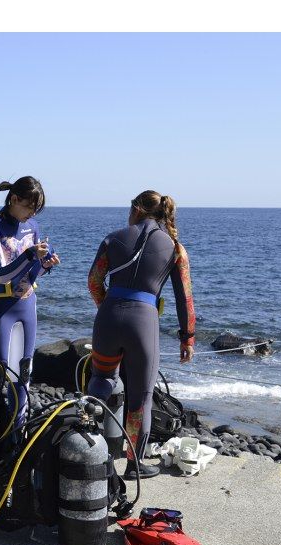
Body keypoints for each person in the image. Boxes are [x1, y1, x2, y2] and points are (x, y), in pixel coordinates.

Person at [86, 190, 195, 480]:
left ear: (136, 209)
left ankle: (85, 448)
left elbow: (94, 282)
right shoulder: (175, 248)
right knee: (140, 398)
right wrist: (188, 338)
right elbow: (185, 298)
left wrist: (109, 307)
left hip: (108, 318)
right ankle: (134, 465)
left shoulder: (112, 238)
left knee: (101, 381)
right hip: (143, 323)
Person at [0, 177, 60, 440]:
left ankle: (18, 435)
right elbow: (0, 274)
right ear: (14, 199)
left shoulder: (32, 226)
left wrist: (45, 264)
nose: (33, 214)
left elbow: (30, 272)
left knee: (23, 372)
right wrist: (29, 255)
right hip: (1, 308)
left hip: (26, 306)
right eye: (30, 207)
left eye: (37, 209)